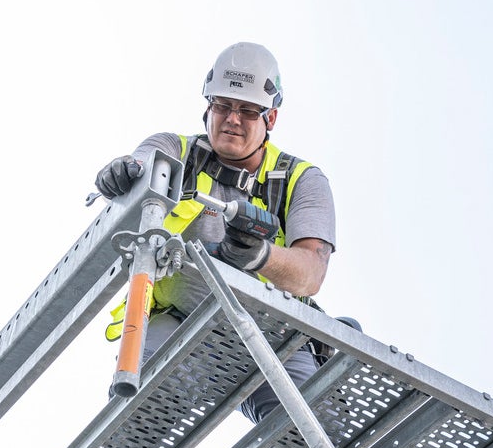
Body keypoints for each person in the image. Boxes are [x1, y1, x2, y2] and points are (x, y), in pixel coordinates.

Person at [91, 42, 338, 422]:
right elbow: (144, 161)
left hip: (271, 333)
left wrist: (258, 255)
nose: (232, 119)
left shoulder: (300, 179)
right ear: (207, 106)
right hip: (180, 320)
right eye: (222, 105)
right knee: (139, 414)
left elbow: (310, 275)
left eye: (248, 110)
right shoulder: (176, 151)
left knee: (310, 430)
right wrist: (126, 173)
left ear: (271, 118)